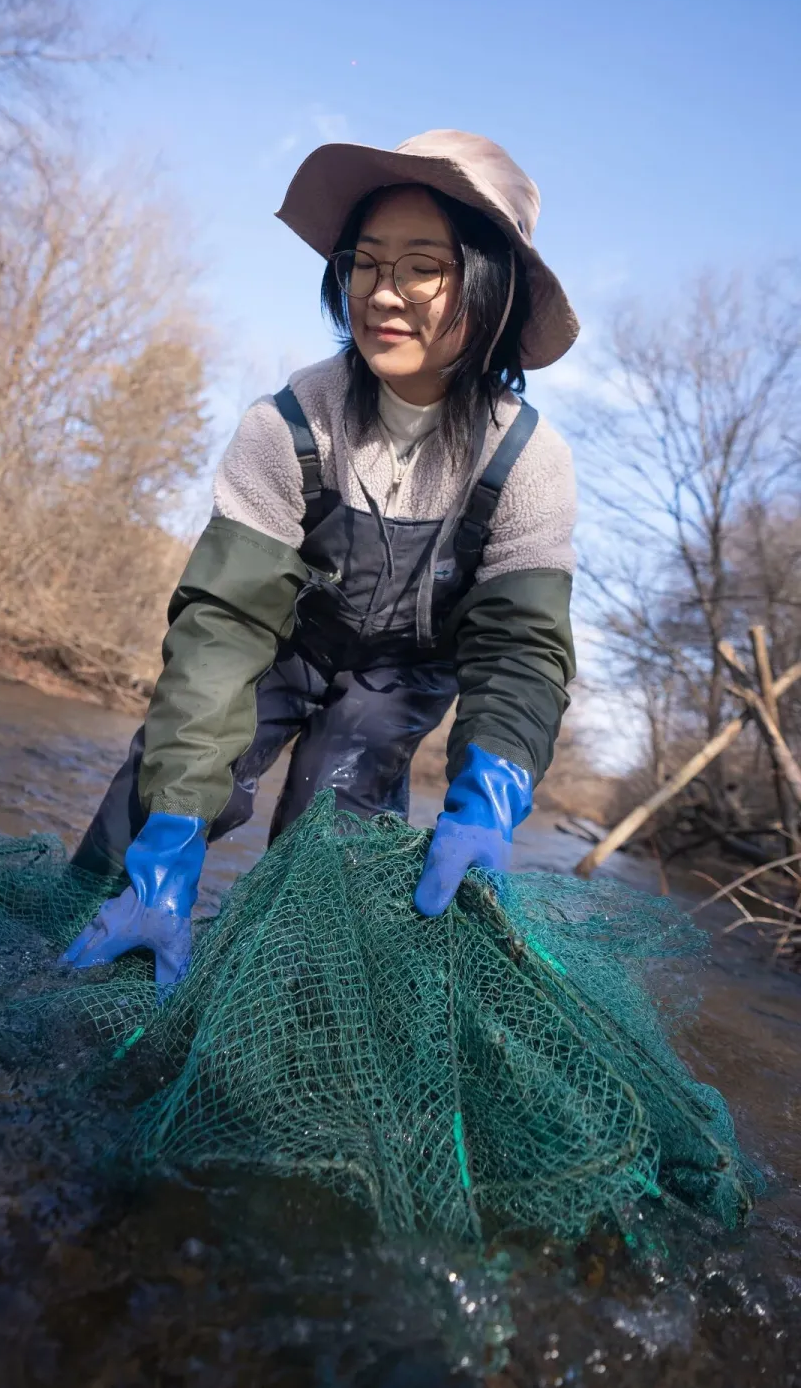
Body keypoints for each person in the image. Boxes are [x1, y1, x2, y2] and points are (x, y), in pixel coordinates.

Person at [61, 130, 580, 988]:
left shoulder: (529, 459)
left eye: (423, 266)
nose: (384, 292)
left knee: (326, 853)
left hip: (401, 680)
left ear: (489, 289)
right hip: (279, 647)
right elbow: (223, 626)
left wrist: (493, 789)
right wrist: (174, 821)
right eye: (367, 262)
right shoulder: (288, 424)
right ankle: (86, 954)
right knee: (151, 804)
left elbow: (520, 650)